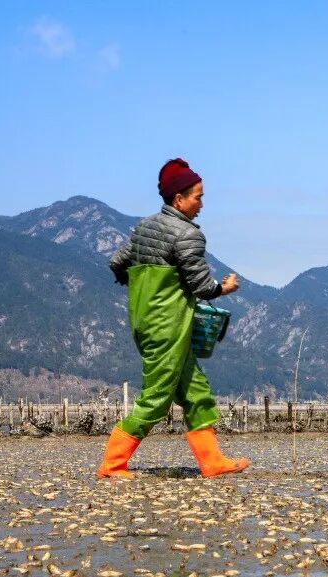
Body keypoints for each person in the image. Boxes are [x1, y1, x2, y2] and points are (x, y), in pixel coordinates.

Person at [97, 158, 250, 479]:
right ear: (178, 199)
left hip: (146, 322)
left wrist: (145, 289)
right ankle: (112, 464)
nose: (201, 204)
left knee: (195, 391)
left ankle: (212, 461)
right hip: (170, 326)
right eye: (198, 197)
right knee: (156, 396)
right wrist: (225, 288)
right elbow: (202, 286)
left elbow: (117, 263)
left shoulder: (144, 228)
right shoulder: (188, 235)